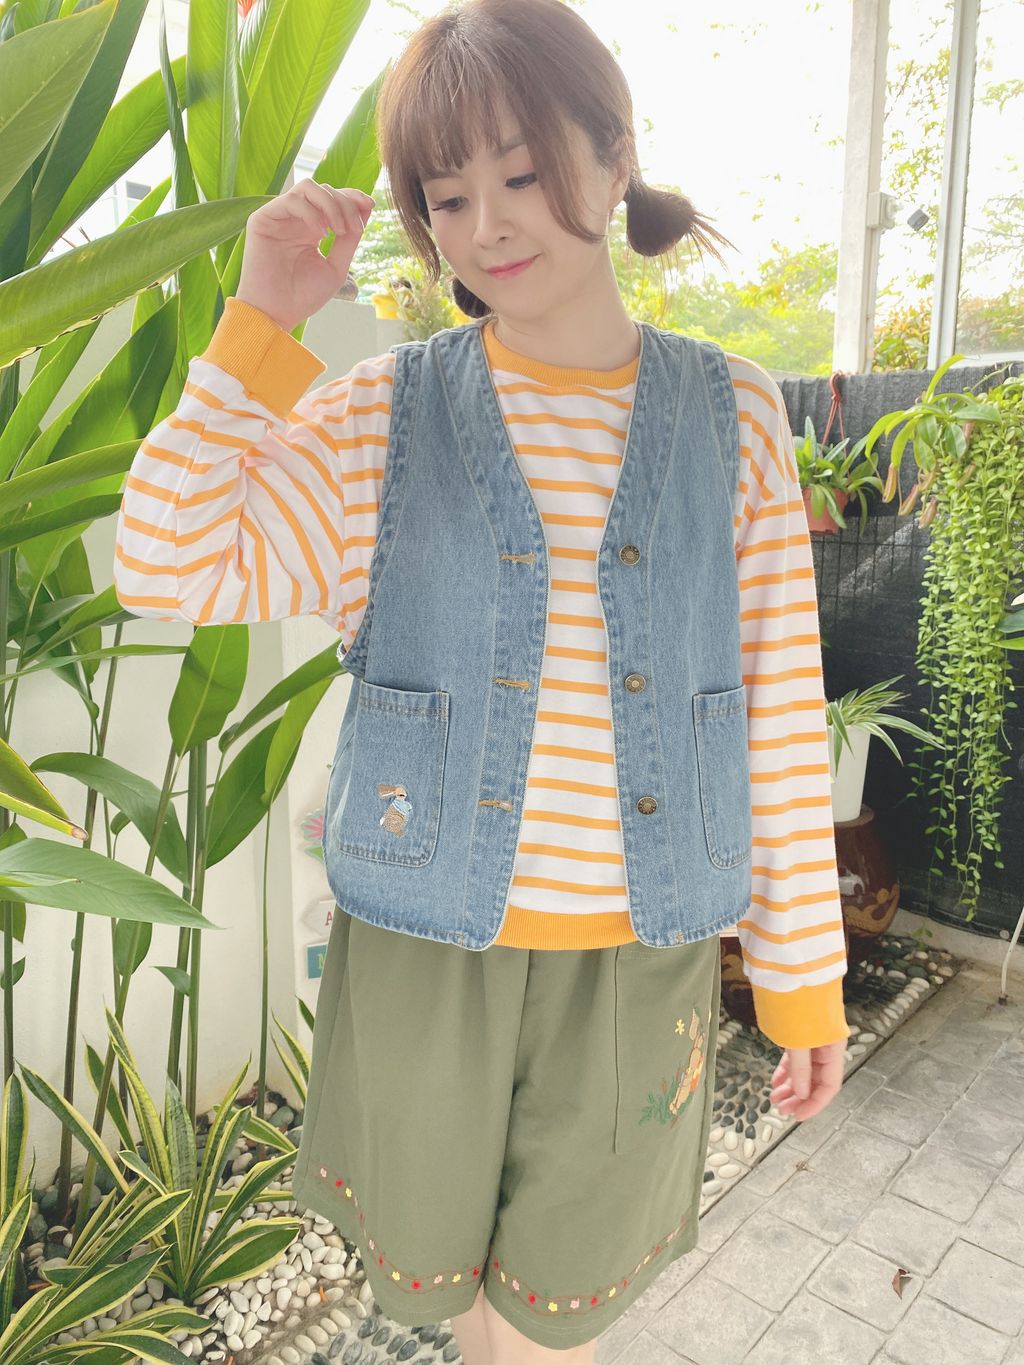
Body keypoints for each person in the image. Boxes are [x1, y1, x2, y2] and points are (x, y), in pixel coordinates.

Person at [113, 2, 850, 1360]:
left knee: (553, 1328)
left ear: (614, 157)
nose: (489, 223)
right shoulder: (377, 418)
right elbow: (166, 561)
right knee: (460, 1319)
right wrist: (260, 319)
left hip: (636, 963)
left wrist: (802, 981)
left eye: (522, 171)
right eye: (447, 196)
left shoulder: (735, 415)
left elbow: (774, 710)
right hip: (427, 954)